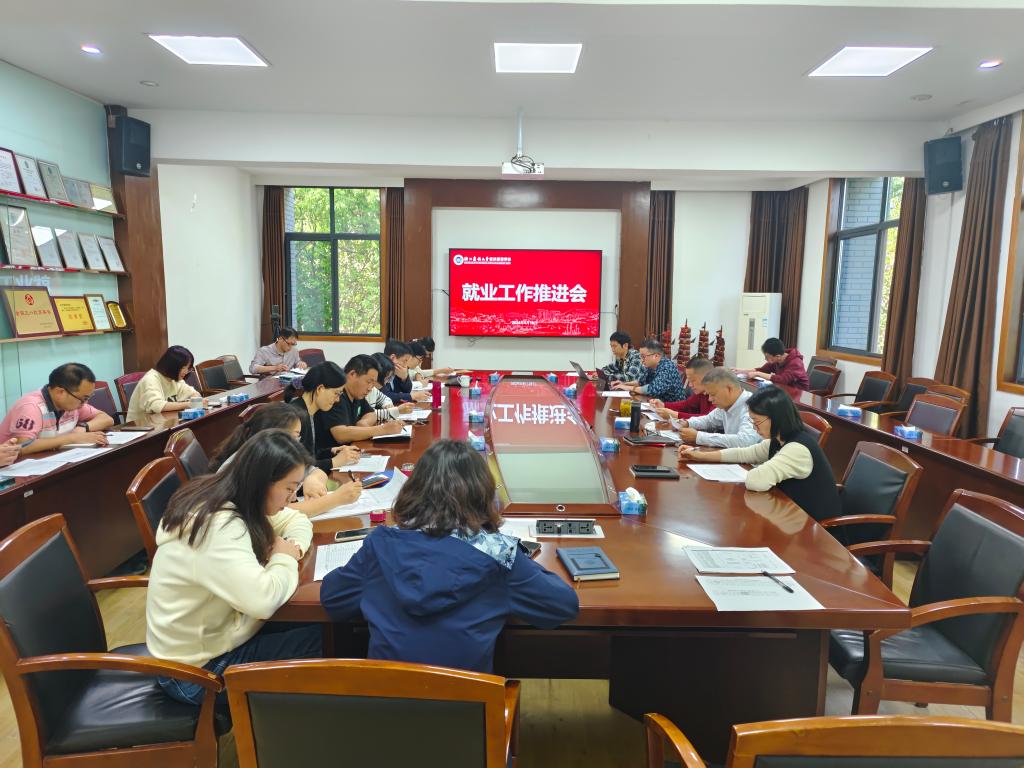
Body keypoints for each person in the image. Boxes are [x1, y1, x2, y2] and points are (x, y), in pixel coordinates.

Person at [321, 438, 579, 673]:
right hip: (467, 706)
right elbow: (562, 606)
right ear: (482, 495)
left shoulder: (380, 544)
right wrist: (518, 558)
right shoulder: (498, 554)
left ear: (414, 489)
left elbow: (333, 599)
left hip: (388, 703)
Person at [147, 430, 321, 708]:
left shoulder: (231, 496)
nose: (292, 498)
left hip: (213, 642)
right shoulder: (217, 525)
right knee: (330, 643)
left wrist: (292, 547)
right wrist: (284, 557)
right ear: (262, 482)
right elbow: (263, 602)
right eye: (289, 489)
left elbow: (296, 520)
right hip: (195, 674)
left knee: (325, 622)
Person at [679, 385, 840, 524]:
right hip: (791, 518)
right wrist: (699, 455)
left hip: (815, 531)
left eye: (756, 422)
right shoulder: (779, 440)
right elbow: (743, 454)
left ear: (776, 418)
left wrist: (755, 470)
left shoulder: (797, 449)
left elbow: (755, 481)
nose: (754, 428)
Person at [209, 403, 361, 515]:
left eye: (298, 437)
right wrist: (335, 499)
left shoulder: (275, 456)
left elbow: (315, 471)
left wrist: (312, 479)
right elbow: (278, 514)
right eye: (293, 436)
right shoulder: (248, 466)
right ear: (269, 435)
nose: (296, 443)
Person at [0, 363, 113, 454]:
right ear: (60, 392)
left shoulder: (73, 404)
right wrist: (72, 438)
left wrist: (83, 427)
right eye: (84, 399)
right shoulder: (31, 407)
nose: (84, 403)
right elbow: (23, 446)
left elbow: (106, 419)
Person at [283, 361, 374, 471]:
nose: (338, 399)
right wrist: (333, 462)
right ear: (320, 389)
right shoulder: (295, 417)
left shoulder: (312, 412)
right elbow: (295, 468)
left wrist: (333, 451)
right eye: (336, 393)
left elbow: (310, 454)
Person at [321, 354, 405, 445]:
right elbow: (340, 435)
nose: (370, 388)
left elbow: (371, 414)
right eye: (368, 382)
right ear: (352, 374)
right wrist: (383, 429)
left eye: (373, 384)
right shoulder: (336, 395)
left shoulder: (356, 394)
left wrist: (363, 422)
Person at [673, 368, 760, 448]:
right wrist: (687, 423)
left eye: (713, 394)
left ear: (729, 389)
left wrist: (698, 437)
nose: (710, 399)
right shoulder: (727, 404)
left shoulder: (753, 406)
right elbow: (709, 420)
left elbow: (745, 441)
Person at [126, 346, 203, 425]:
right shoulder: (151, 379)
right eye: (183, 368)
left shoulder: (174, 379)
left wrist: (196, 401)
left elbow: (193, 393)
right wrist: (187, 404)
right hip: (140, 427)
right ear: (173, 365)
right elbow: (156, 405)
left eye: (188, 368)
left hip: (162, 424)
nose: (186, 372)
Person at [611, 338, 686, 402]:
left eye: (643, 357)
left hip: (672, 409)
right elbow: (641, 382)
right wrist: (624, 384)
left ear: (656, 356)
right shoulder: (650, 366)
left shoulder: (667, 367)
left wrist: (629, 388)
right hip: (657, 406)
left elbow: (651, 389)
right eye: (640, 357)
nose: (641, 360)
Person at [649, 357, 715, 420]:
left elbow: (707, 420)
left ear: (706, 377)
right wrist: (664, 405)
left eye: (693, 380)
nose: (690, 385)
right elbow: (686, 405)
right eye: (689, 381)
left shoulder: (717, 395)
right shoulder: (701, 392)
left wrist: (675, 415)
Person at [734, 337, 809, 391]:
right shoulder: (777, 359)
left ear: (777, 356)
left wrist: (758, 374)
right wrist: (741, 371)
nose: (765, 359)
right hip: (784, 389)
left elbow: (782, 379)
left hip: (798, 393)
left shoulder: (796, 363)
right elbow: (763, 370)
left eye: (767, 357)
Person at [367, 353, 417, 422]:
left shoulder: (374, 390)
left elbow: (385, 398)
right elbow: (367, 415)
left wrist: (387, 404)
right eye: (405, 360)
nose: (387, 382)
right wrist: (396, 411)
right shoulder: (364, 392)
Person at [381, 339, 428, 404]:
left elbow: (406, 391)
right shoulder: (380, 370)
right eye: (405, 361)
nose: (406, 365)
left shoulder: (396, 371)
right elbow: (384, 396)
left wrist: (404, 378)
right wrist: (412, 396)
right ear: (393, 358)